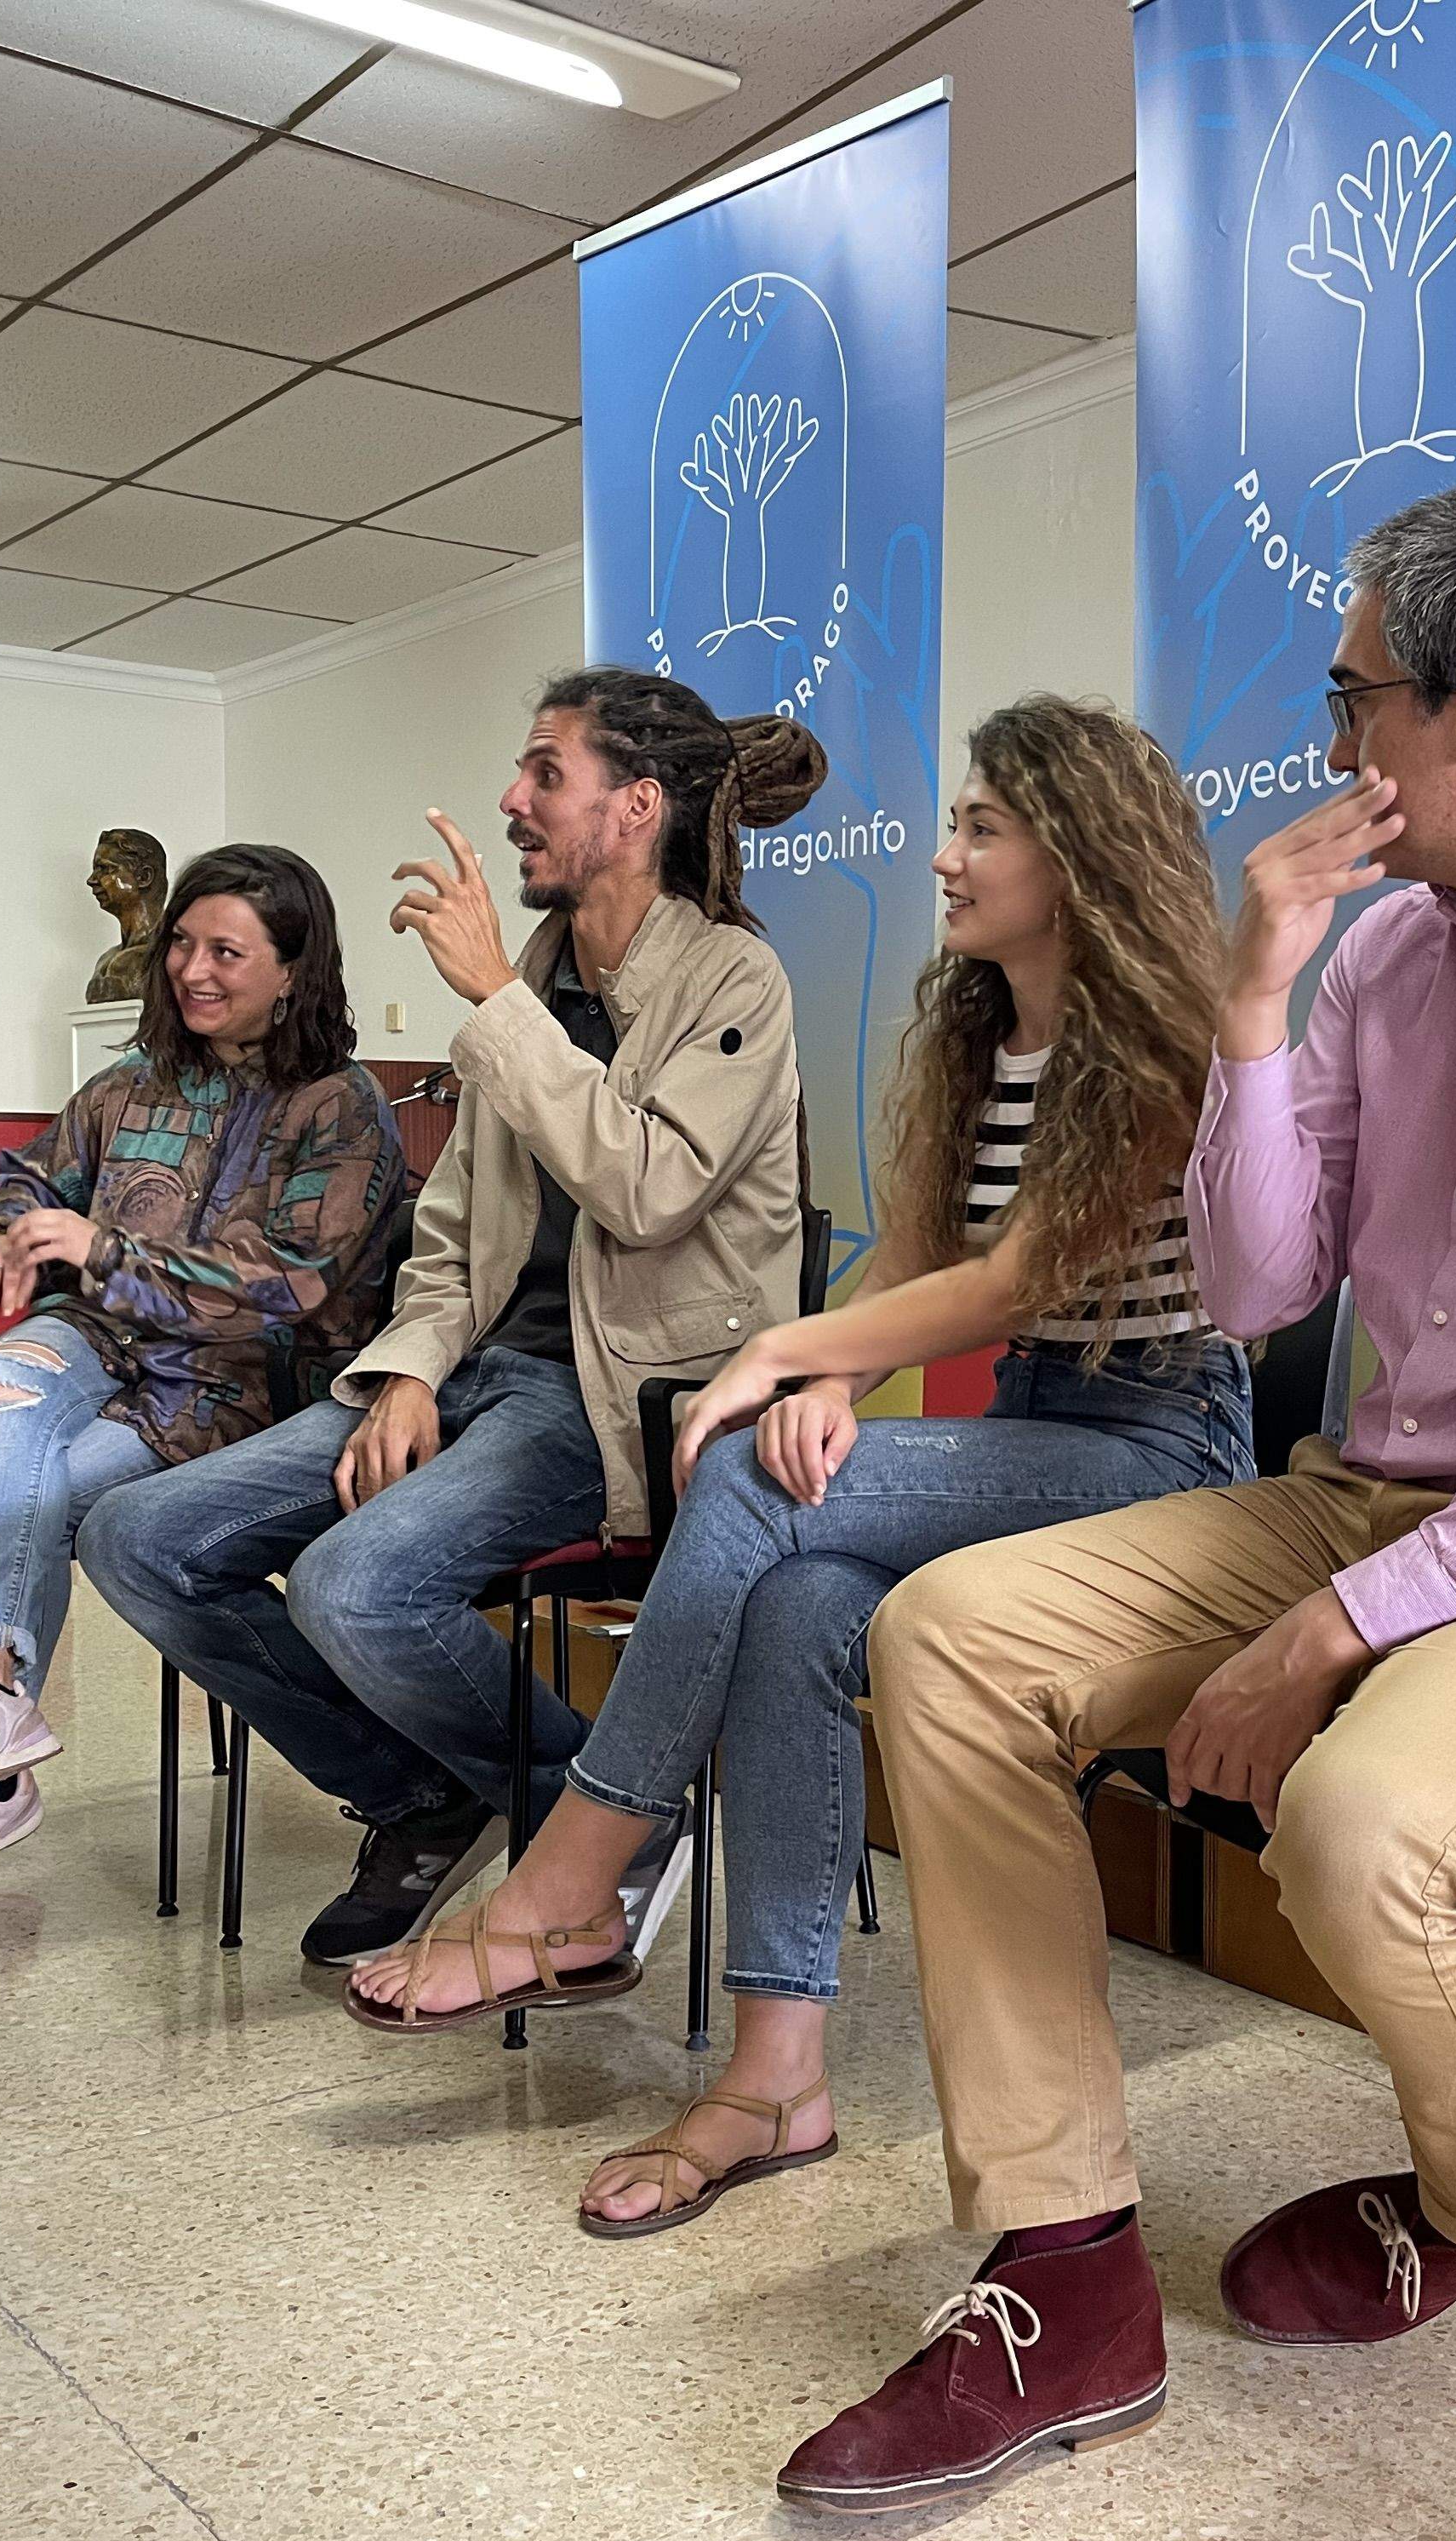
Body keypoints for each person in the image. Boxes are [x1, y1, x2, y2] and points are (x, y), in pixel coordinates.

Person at [779, 476, 1456, 2514]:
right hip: (1389, 1498)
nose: (1329, 738)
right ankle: (1067, 2263)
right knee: (946, 1638)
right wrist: (1255, 998)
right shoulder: (1379, 963)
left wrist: (1334, 1632)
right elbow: (1270, 1287)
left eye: (1348, 691)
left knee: (1364, 1818)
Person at [347, 696, 1258, 2237]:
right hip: (1041, 1421)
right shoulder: (982, 1028)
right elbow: (916, 1252)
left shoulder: (1158, 1038)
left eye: (982, 827)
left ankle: (573, 1868)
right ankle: (777, 2074)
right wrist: (829, 1361)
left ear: (1082, 855)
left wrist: (784, 1359)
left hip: (1163, 1440)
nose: (945, 852)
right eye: (955, 820)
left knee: (751, 1482)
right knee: (795, 1599)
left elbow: (1019, 1276)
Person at [79, 671, 825, 1967]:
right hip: (474, 1373)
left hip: (615, 1400)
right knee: (139, 1534)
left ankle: (606, 1821)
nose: (510, 799)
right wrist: (410, 1371)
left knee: (356, 1586)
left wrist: (497, 1008)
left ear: (636, 807)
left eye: (545, 772)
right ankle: (426, 1796)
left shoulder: (733, 980)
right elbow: (454, 1233)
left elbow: (646, 1191)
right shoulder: (538, 973)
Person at [0, 844, 403, 1901]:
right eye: (184, 943)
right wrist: (4, 1235)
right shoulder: (127, 1083)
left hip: (234, 1387)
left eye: (226, 951)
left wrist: (102, 1250)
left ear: (294, 969)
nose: (193, 968)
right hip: (95, 1338)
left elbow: (291, 1286)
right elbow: (25, 1178)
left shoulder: (342, 1108)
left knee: (36, 1496)